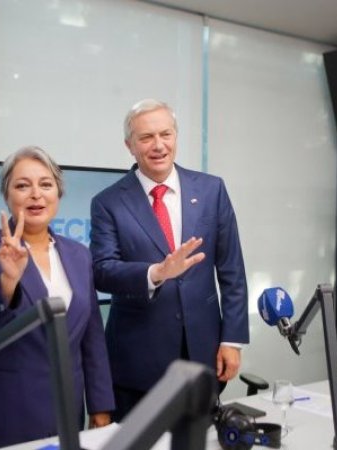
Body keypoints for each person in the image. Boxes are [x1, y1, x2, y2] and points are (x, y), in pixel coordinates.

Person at [90, 99, 249, 422]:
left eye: (166, 134)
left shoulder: (211, 190)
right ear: (129, 145)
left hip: (202, 353)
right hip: (137, 362)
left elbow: (232, 270)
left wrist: (232, 339)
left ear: (176, 136)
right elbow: (102, 271)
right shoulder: (107, 202)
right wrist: (156, 272)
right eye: (146, 137)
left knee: (198, 439)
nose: (158, 145)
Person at [0, 146, 114, 450]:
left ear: (58, 193)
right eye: (23, 185)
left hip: (65, 410)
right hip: (2, 410)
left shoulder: (79, 254)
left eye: (46, 184)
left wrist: (100, 405)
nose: (36, 194)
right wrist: (7, 281)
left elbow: (91, 336)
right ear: (7, 195)